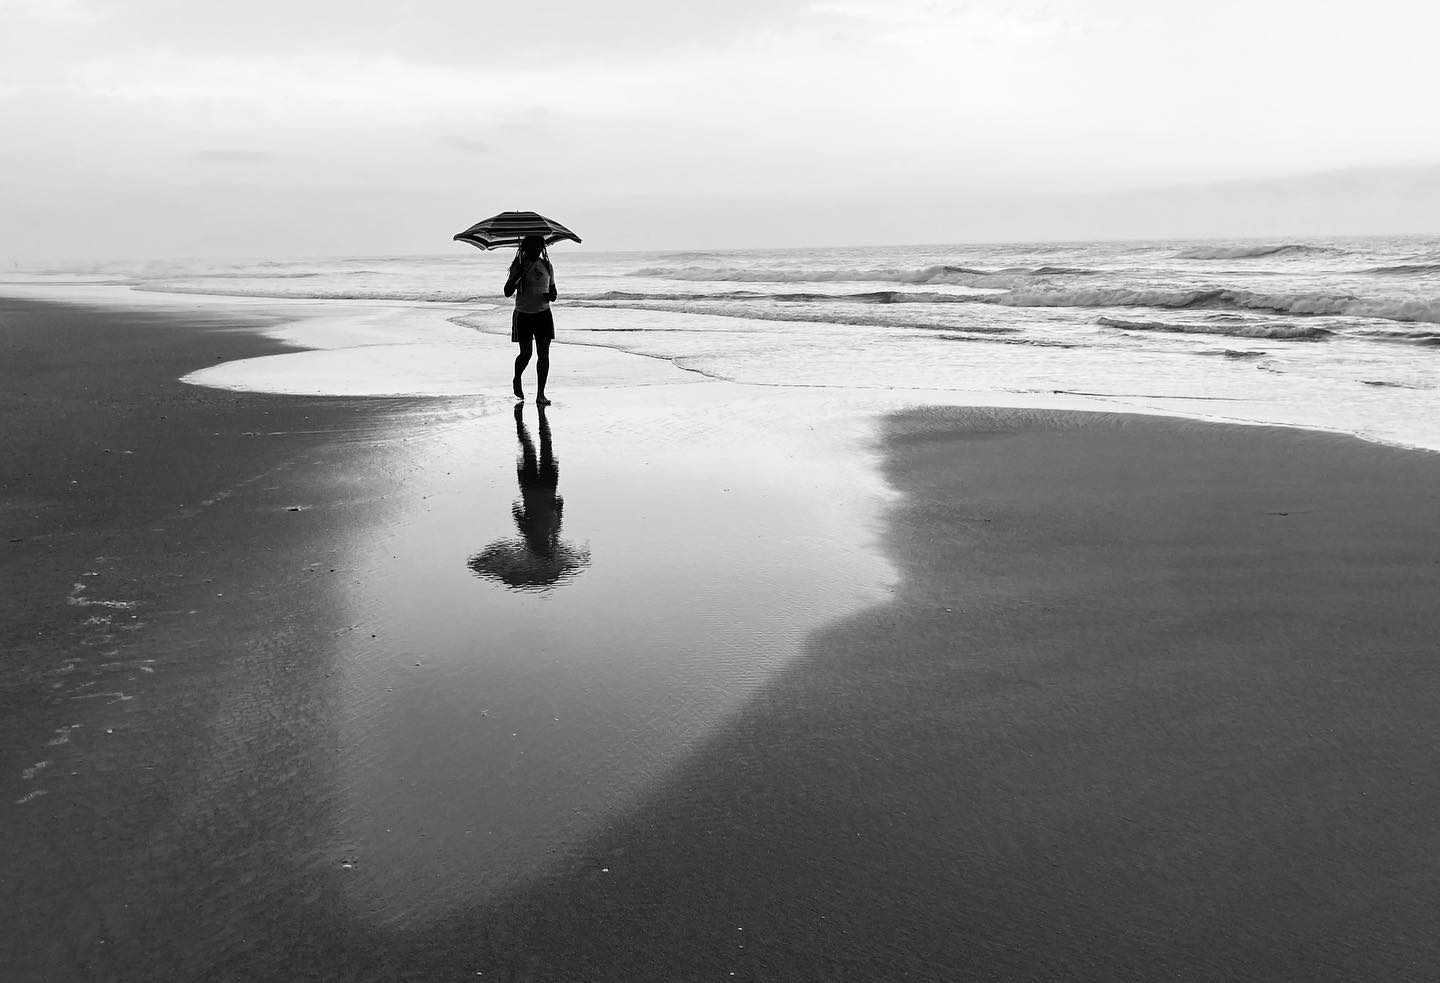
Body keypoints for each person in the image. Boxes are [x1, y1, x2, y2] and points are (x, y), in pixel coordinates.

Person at [504, 235, 558, 405]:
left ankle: (540, 394)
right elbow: (507, 292)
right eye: (533, 248)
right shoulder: (519, 266)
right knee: (526, 354)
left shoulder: (547, 266)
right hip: (523, 314)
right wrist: (517, 276)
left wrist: (551, 296)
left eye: (539, 248)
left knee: (544, 354)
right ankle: (517, 377)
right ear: (526, 248)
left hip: (544, 314)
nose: (537, 251)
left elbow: (554, 292)